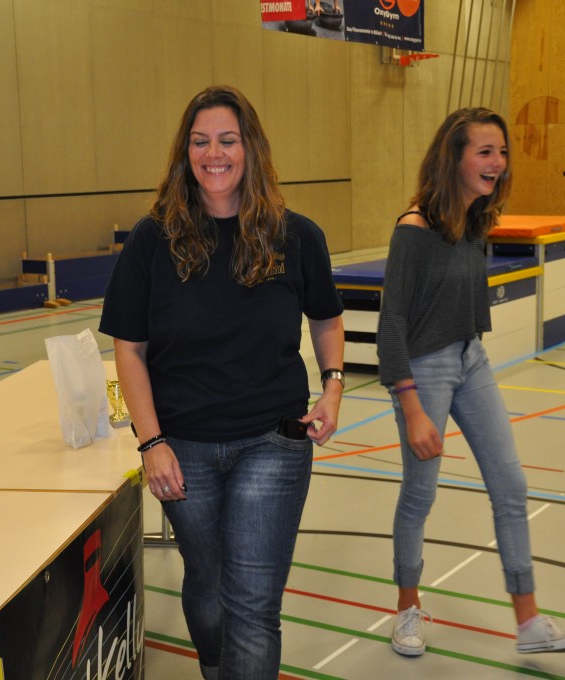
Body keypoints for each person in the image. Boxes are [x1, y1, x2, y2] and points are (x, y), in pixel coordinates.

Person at [99, 85, 345, 679]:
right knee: (208, 587)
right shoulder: (152, 240)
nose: (214, 154)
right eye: (201, 141)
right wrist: (151, 441)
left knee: (253, 605)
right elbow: (129, 349)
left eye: (228, 140)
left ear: (250, 148)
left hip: (274, 441)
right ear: (185, 153)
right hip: (182, 447)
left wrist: (333, 385)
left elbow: (326, 316)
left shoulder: (296, 236)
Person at [375, 107, 565, 657]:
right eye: (485, 152)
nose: (498, 162)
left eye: (502, 152)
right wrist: (412, 407)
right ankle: (406, 609)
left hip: (472, 360)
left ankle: (529, 621)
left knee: (510, 485)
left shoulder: (475, 221)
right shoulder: (414, 230)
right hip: (424, 370)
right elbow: (391, 324)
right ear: (455, 159)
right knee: (420, 493)